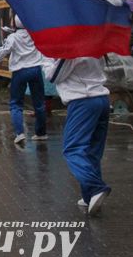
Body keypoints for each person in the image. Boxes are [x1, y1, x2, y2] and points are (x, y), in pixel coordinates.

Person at [42, 57, 111, 215]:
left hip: (82, 102)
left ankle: (95, 188)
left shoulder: (71, 50)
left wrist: (46, 60)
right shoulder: (95, 43)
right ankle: (89, 197)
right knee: (92, 152)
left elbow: (53, 76)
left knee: (73, 149)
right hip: (101, 99)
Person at [0, 15, 46, 145]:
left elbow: (2, 52)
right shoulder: (35, 34)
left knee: (16, 103)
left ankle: (20, 133)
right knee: (39, 103)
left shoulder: (13, 38)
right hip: (36, 70)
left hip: (20, 71)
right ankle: (41, 133)